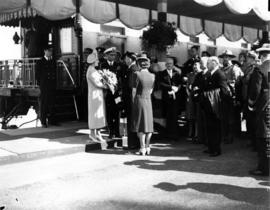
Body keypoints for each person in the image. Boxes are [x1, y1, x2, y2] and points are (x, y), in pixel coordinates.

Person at [248, 43, 270, 176]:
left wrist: (251, 103)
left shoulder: (260, 69)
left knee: (263, 136)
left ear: (261, 55)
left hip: (264, 105)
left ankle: (264, 168)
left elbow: (255, 90)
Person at [202, 56, 230, 157]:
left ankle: (216, 149)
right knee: (209, 126)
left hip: (216, 106)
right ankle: (210, 147)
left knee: (215, 127)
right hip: (209, 105)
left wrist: (219, 103)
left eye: (208, 63)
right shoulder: (209, 74)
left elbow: (224, 91)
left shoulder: (220, 74)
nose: (206, 65)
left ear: (214, 63)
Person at [132, 55, 155, 156]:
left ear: (138, 64)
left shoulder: (136, 74)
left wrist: (133, 101)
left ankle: (142, 147)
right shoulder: (153, 76)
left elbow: (134, 90)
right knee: (148, 125)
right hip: (148, 100)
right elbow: (151, 91)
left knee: (140, 125)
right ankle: (148, 146)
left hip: (139, 99)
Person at [219, 49, 243, 143]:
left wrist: (236, 98)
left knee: (231, 117)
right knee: (223, 116)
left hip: (231, 96)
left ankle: (231, 136)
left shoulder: (234, 69)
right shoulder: (220, 69)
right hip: (222, 96)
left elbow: (237, 84)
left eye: (227, 57)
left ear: (230, 58)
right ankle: (224, 135)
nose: (225, 59)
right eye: (224, 57)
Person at [86, 49, 108, 142]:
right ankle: (92, 134)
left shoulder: (94, 70)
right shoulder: (91, 71)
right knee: (94, 114)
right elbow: (97, 83)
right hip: (94, 95)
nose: (98, 61)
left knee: (99, 114)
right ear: (93, 61)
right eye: (97, 60)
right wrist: (107, 85)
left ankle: (98, 133)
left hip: (98, 95)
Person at [100, 47, 122, 139]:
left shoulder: (118, 65)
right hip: (108, 93)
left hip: (116, 93)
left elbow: (120, 79)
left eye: (114, 55)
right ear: (107, 56)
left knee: (117, 112)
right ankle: (111, 132)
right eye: (111, 55)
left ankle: (117, 132)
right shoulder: (103, 65)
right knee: (109, 113)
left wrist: (119, 89)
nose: (113, 57)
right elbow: (101, 79)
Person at [158, 56, 182, 139]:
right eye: (167, 64)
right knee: (167, 116)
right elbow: (160, 84)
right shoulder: (161, 73)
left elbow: (180, 84)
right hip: (166, 98)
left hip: (175, 98)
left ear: (173, 64)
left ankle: (175, 134)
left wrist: (177, 89)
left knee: (175, 116)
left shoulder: (177, 73)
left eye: (170, 64)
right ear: (165, 65)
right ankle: (167, 134)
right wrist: (170, 87)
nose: (168, 65)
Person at [36, 44, 58, 128]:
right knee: (44, 104)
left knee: (52, 103)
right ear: (45, 51)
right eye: (49, 51)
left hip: (52, 85)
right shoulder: (40, 61)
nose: (50, 52)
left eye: (51, 51)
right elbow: (37, 75)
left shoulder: (52, 61)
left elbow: (54, 73)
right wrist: (40, 85)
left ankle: (52, 120)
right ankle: (43, 121)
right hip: (44, 86)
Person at [241, 51, 259, 150]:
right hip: (246, 96)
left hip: (252, 98)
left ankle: (254, 142)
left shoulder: (255, 68)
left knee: (253, 121)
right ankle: (251, 140)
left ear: (252, 58)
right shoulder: (248, 68)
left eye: (247, 58)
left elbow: (248, 81)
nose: (246, 60)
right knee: (248, 120)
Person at [123, 51, 140, 150]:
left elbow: (132, 87)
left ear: (130, 59)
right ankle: (133, 142)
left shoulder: (133, 69)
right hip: (130, 99)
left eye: (125, 58)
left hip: (131, 99)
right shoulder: (132, 68)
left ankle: (132, 143)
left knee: (131, 121)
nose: (125, 60)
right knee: (132, 121)